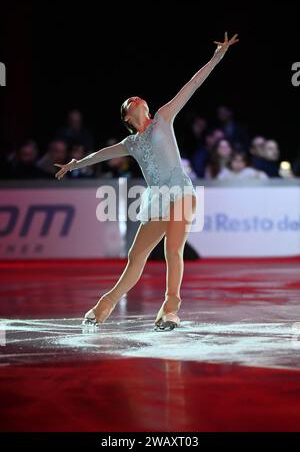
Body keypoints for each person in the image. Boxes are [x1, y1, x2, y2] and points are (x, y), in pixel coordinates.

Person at [54, 31, 239, 331]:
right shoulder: (130, 143)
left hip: (180, 191)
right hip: (157, 198)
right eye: (130, 102)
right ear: (128, 117)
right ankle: (106, 304)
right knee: (135, 255)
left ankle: (171, 307)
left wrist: (217, 56)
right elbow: (100, 155)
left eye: (137, 98)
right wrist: (76, 163)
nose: (135, 99)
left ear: (146, 107)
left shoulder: (164, 118)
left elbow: (191, 85)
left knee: (172, 249)